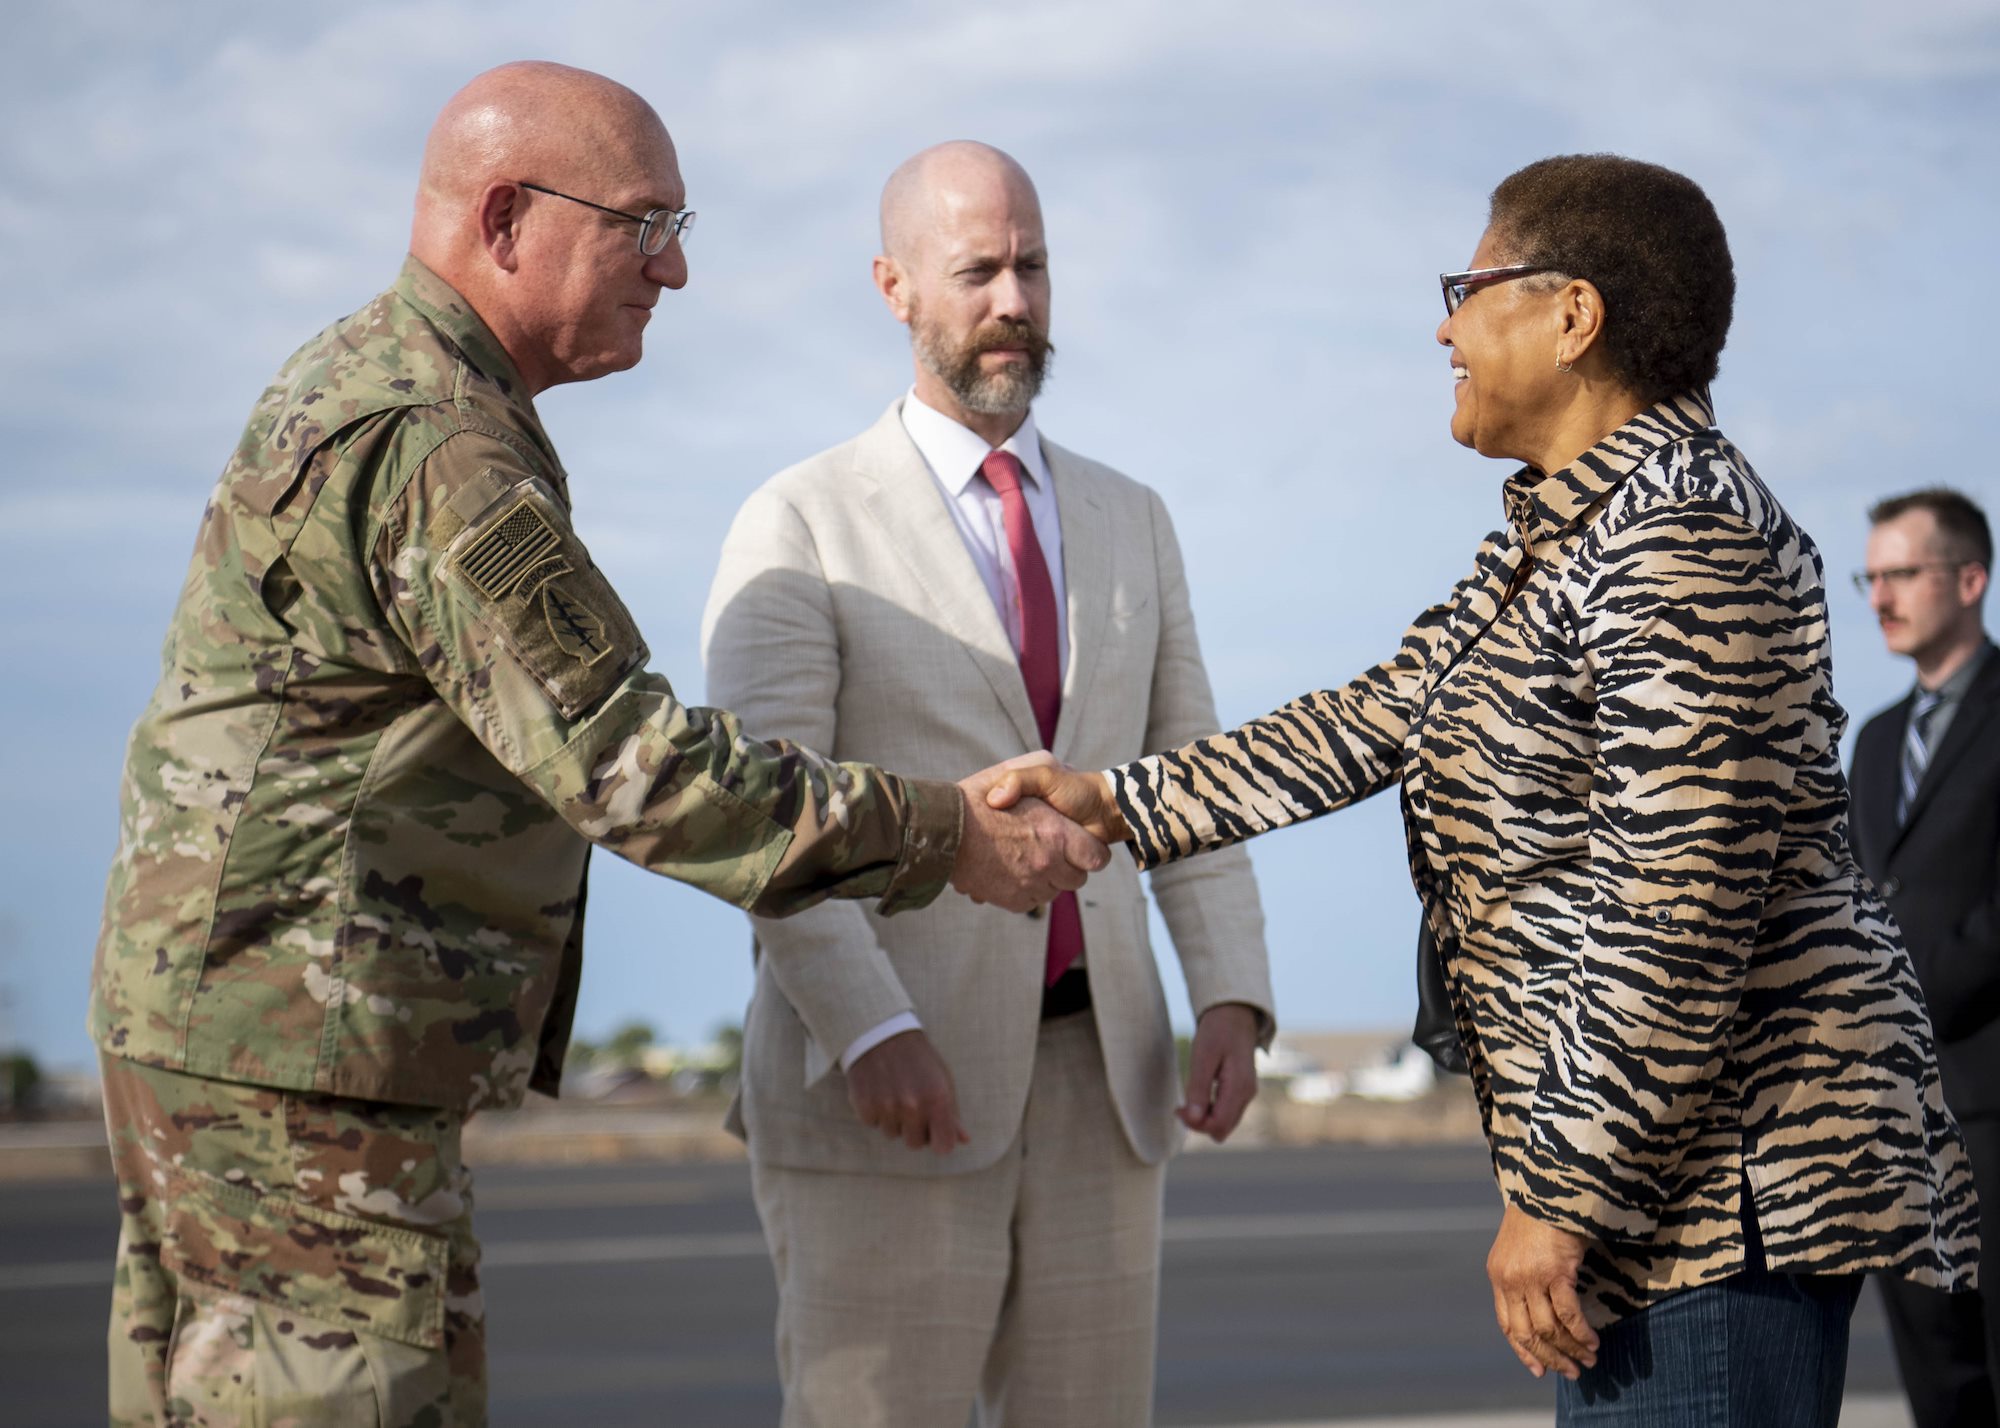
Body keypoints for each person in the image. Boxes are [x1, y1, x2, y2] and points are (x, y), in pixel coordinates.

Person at [86, 64, 1106, 1428]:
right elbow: (636, 765)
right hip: (299, 1071)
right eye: (644, 226)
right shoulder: (441, 445)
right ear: (506, 217)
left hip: (252, 1041)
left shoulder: (380, 379)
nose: (672, 270)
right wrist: (949, 835)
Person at [988, 153, 1980, 1427]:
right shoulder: (1566, 534)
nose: (1442, 330)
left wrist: (1560, 1195)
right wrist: (1111, 800)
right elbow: (1378, 712)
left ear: (1571, 317)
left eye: (1466, 291)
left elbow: (1675, 906)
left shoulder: (1684, 535)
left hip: (1715, 1202)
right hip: (1651, 1202)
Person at [699, 141, 1272, 1428]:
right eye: (975, 272)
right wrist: (869, 1029)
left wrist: (1232, 993)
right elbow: (757, 814)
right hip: (888, 1087)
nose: (1012, 301)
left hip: (1104, 1082)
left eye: (1032, 267)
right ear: (894, 287)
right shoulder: (798, 520)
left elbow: (1193, 775)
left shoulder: (1134, 516)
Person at [1849, 487, 1999, 1428]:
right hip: (1894, 1129)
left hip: (1990, 1103)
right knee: (1938, 1393)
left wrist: (1897, 996)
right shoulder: (1871, 742)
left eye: (1902, 574)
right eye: (1870, 577)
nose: (1880, 597)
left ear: (1970, 579)